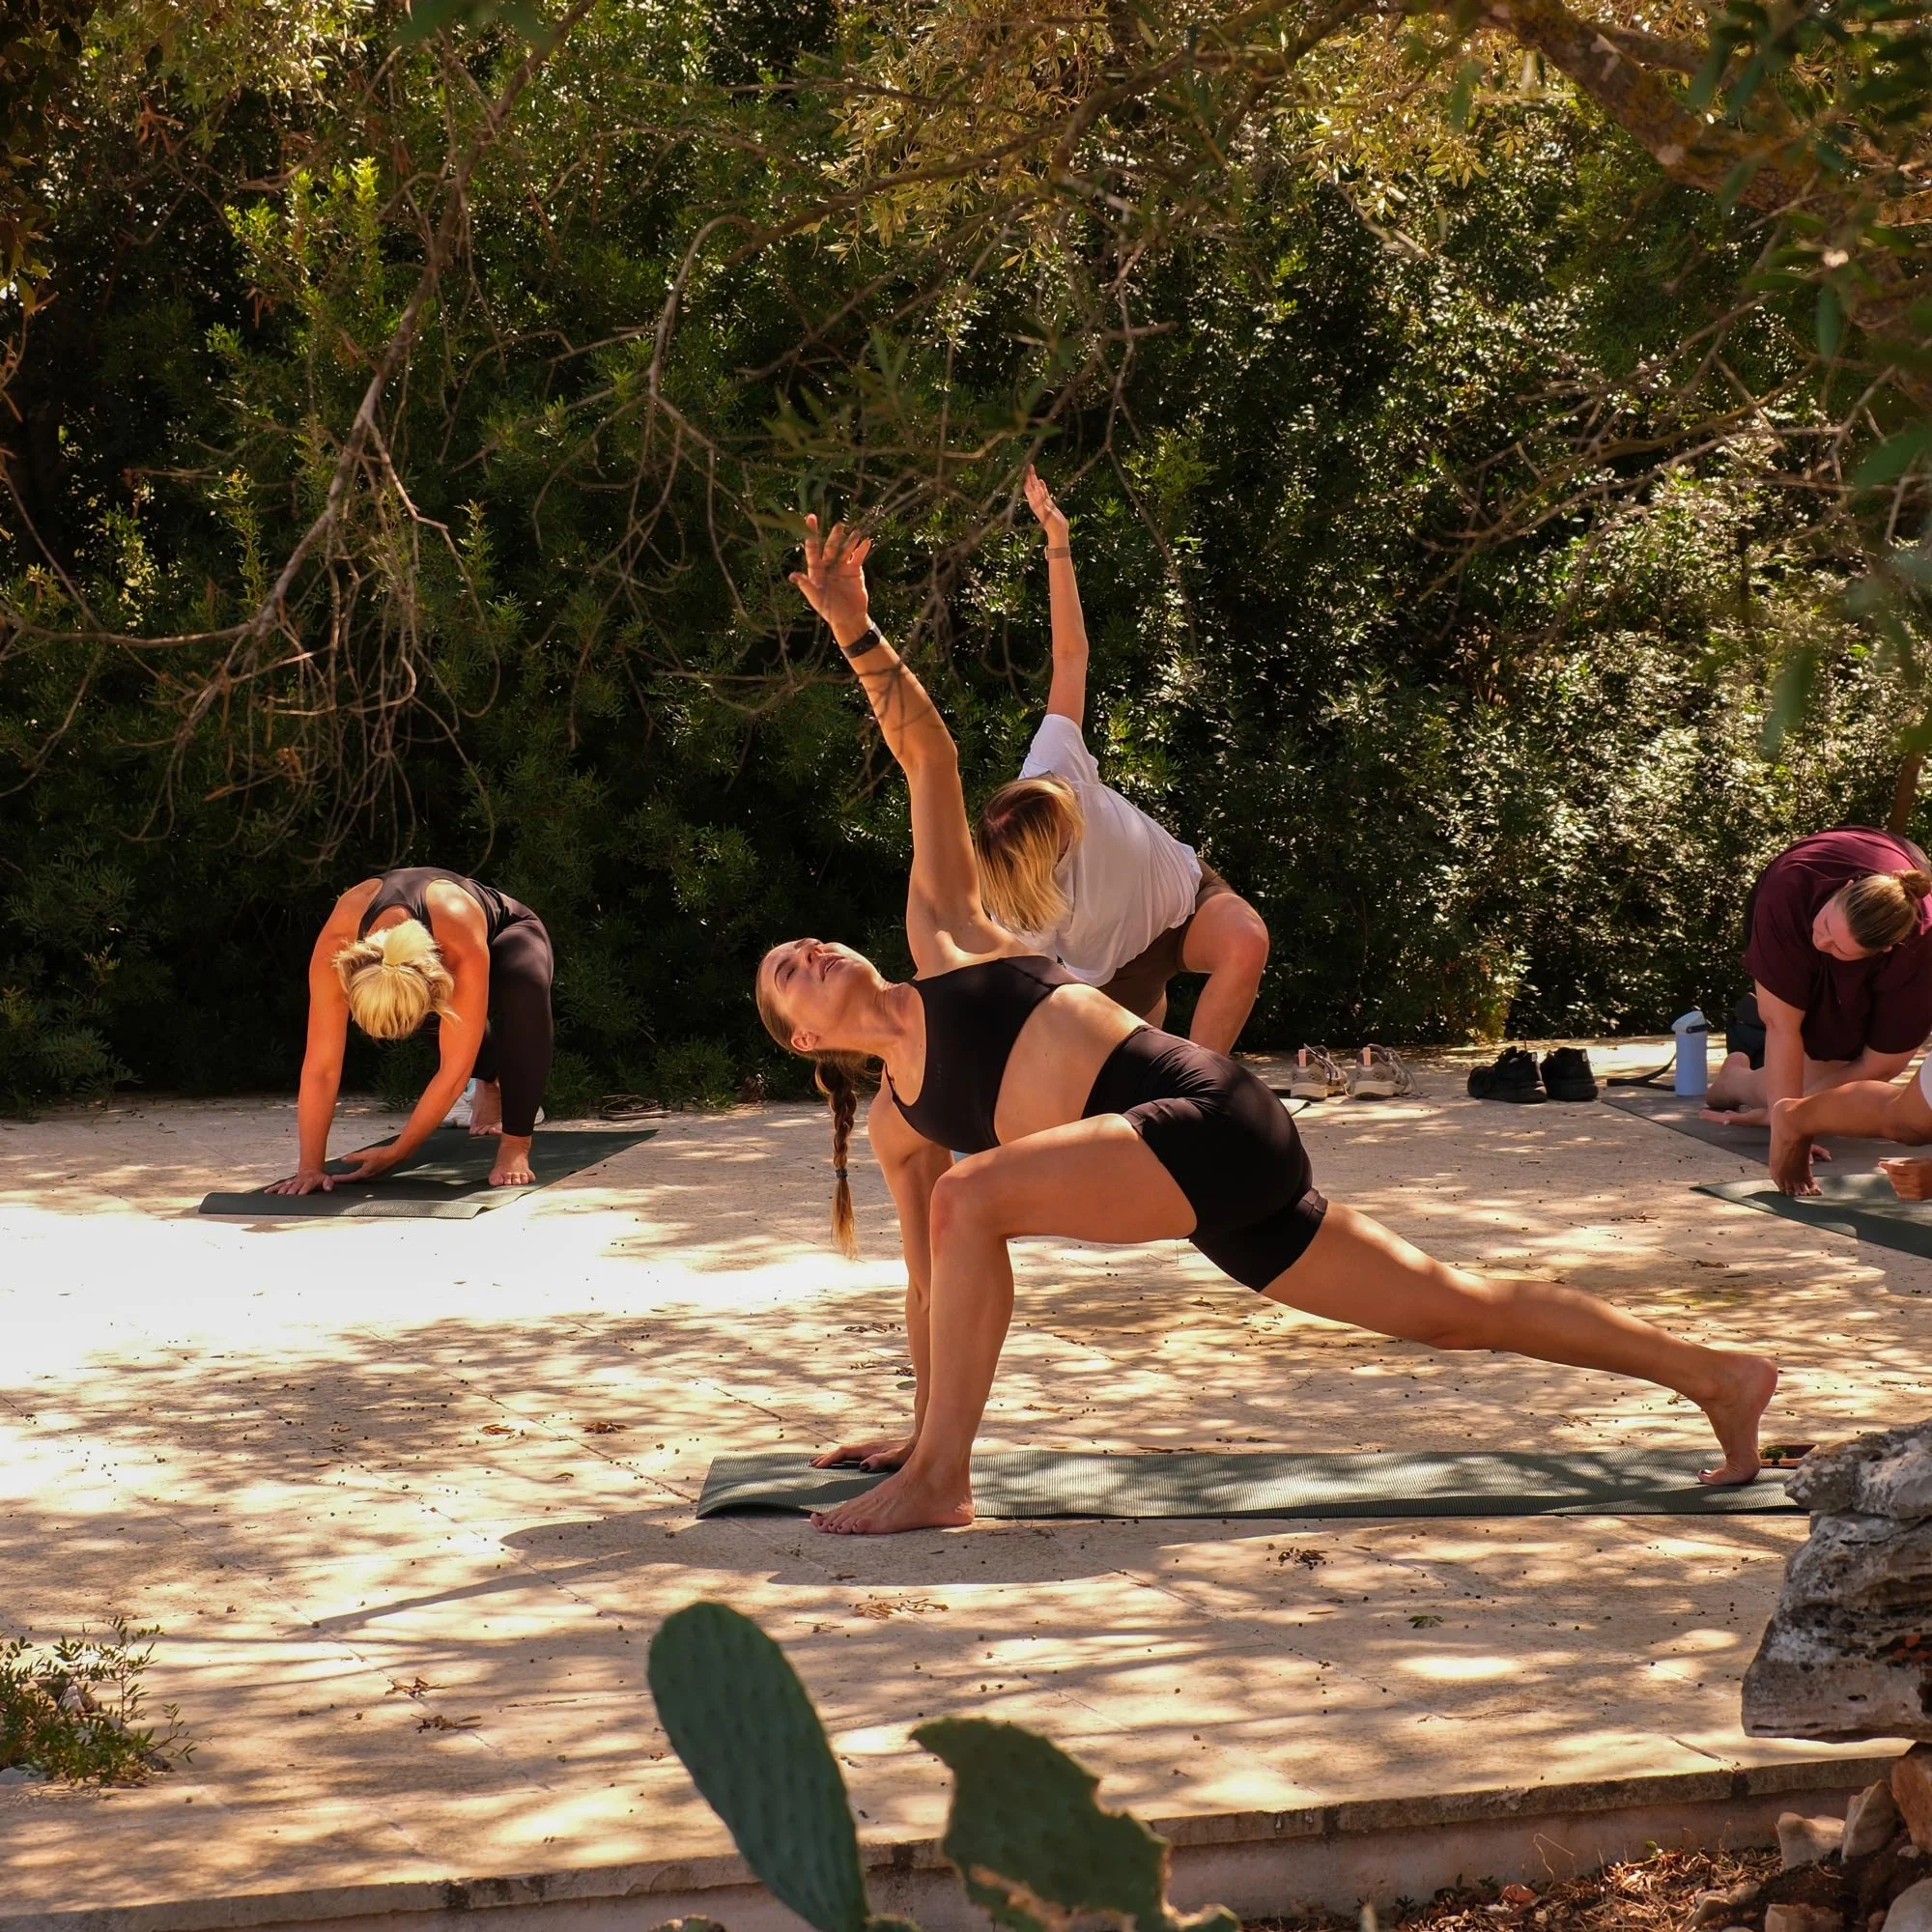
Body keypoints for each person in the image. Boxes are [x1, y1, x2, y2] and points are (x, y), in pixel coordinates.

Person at [753, 514, 1777, 1536]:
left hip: (1203, 1112)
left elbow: (923, 752)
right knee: (1454, 1306)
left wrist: (855, 627)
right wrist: (916, 1417)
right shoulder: (901, 1121)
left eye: (800, 942)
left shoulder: (948, 937)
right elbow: (934, 1290)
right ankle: (1718, 1377)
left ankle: (945, 1479)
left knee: (971, 1193)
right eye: (782, 974)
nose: (804, 952)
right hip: (1206, 1184)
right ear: (805, 1040)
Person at [972, 469, 1269, 1054]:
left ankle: (1204, 1095)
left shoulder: (1053, 764)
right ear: (1043, 859)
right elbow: (1015, 997)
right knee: (1135, 1070)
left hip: (1186, 901)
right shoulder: (1029, 914)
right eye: (1062, 824)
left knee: (1247, 941)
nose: (1071, 808)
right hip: (1116, 975)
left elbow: (1070, 654)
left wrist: (1057, 541)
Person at [267, 867, 554, 1195]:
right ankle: (490, 1082)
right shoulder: (337, 948)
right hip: (426, 957)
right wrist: (310, 1167)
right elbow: (321, 1067)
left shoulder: (456, 933)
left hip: (509, 931)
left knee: (524, 989)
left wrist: (400, 1151)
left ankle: (515, 1144)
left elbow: (453, 1068)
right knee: (426, 1019)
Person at [1701, 828, 1932, 1195]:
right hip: (1793, 887)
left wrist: (1798, 1116)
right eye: (1826, 925)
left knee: (1838, 1074)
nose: (1820, 941)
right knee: (1798, 1067)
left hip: (1895, 918)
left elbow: (1883, 1064)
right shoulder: (1791, 890)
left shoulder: (1920, 947)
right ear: (1844, 889)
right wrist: (1786, 1134)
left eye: (1838, 948)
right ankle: (1736, 1081)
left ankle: (1738, 1079)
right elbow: (1781, 1027)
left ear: (1884, 952)